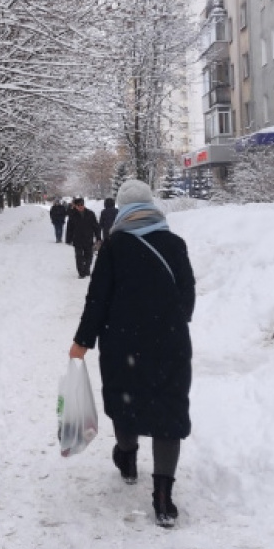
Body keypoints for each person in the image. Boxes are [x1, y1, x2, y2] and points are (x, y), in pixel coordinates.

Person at [68, 179, 196, 528]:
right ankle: (163, 498)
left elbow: (97, 301)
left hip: (122, 344)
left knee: (126, 403)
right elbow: (187, 299)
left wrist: (82, 341)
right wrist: (166, 322)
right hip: (169, 343)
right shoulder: (175, 244)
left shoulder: (113, 247)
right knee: (168, 411)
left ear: (123, 209)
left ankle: (126, 458)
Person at [63, 197, 101, 278]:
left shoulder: (90, 214)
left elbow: (96, 226)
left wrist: (98, 237)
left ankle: (87, 269)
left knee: (89, 256)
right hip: (77, 239)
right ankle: (81, 273)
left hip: (88, 238)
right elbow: (69, 228)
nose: (81, 206)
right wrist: (68, 239)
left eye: (82, 204)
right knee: (79, 256)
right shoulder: (72, 215)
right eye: (79, 205)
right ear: (75, 206)